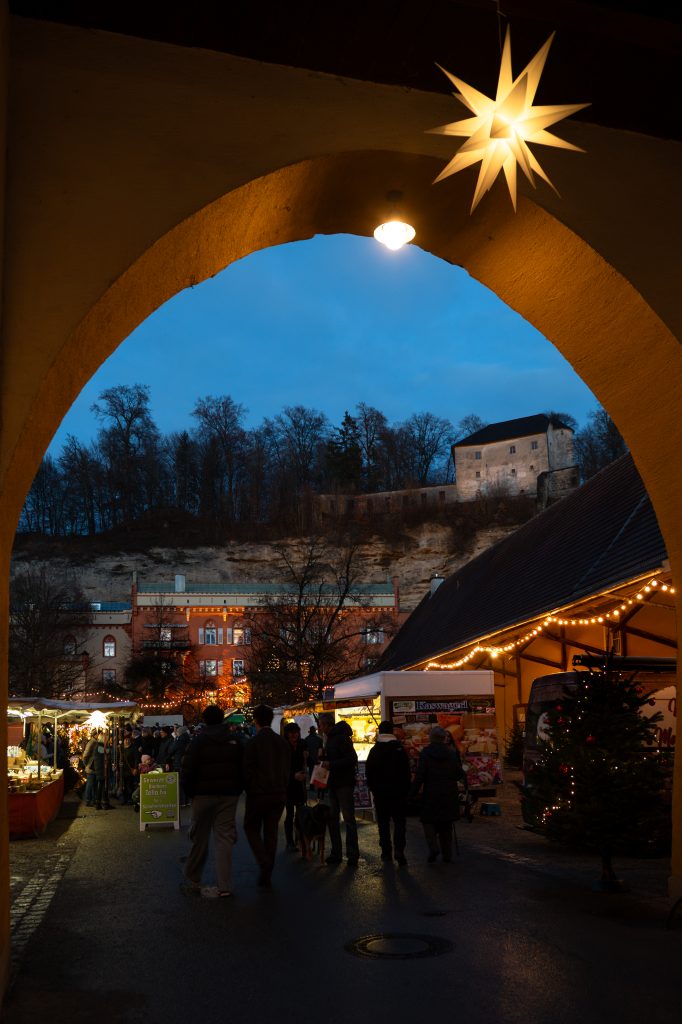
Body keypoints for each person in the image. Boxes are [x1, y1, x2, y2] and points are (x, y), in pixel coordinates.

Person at [180, 705, 244, 899]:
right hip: (228, 795)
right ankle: (224, 886)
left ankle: (193, 878)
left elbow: (188, 770)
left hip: (202, 795)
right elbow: (242, 768)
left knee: (199, 837)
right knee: (224, 838)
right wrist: (237, 789)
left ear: (205, 720)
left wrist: (191, 793)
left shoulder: (198, 741)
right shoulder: (235, 740)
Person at [243, 704, 291, 888]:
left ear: (255, 720)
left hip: (258, 794)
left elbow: (247, 771)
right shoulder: (281, 742)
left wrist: (250, 788)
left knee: (251, 827)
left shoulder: (253, 743)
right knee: (271, 832)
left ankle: (263, 861)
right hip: (278, 793)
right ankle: (267, 871)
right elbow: (287, 768)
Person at [412, 725, 465, 863]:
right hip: (448, 793)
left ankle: (433, 846)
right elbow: (459, 773)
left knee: (428, 821)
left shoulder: (425, 753)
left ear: (431, 738)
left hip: (431, 793)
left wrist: (412, 792)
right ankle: (447, 854)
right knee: (446, 824)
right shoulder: (451, 753)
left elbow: (420, 776)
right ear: (443, 738)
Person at [365, 720, 411, 865]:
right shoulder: (399, 749)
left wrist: (373, 788)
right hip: (398, 793)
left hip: (380, 793)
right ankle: (399, 850)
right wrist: (405, 789)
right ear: (392, 732)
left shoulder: (375, 750)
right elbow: (406, 772)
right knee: (399, 822)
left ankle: (386, 852)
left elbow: (369, 772)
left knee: (383, 823)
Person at [318, 712, 359, 867]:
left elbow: (351, 759)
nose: (319, 728)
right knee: (333, 818)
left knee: (348, 819)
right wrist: (323, 758)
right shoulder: (329, 738)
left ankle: (352, 854)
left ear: (328, 724)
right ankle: (337, 853)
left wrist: (331, 764)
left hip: (343, 784)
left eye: (321, 725)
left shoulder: (340, 738)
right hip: (334, 782)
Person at [283, 722, 308, 851]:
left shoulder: (302, 744)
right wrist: (293, 775)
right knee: (289, 814)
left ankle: (300, 838)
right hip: (288, 785)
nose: (294, 736)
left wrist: (307, 758)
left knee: (301, 813)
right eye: (292, 733)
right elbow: (281, 768)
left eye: (296, 733)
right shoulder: (283, 746)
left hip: (300, 784)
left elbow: (307, 761)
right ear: (287, 734)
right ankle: (290, 841)